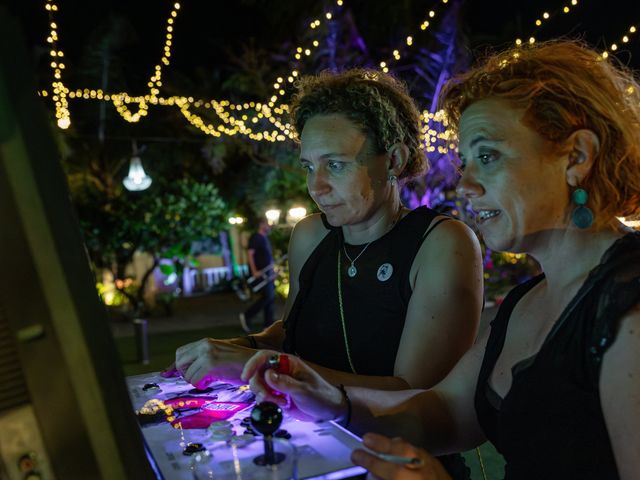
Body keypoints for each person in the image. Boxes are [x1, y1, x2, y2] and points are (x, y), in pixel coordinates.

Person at [242, 40, 640, 480]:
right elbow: (446, 410)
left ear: (577, 157)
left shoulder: (627, 307)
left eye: (487, 156)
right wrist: (332, 400)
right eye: (464, 162)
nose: (465, 185)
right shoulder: (528, 301)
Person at [164, 69, 484, 477]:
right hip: (308, 446)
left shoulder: (440, 243)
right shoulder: (310, 234)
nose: (316, 186)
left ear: (395, 160)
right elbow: (295, 328)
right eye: (308, 166)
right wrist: (239, 345)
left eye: (335, 165)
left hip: (395, 463)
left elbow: (416, 394)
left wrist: (260, 363)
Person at [239, 217, 276, 332]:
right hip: (260, 273)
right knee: (268, 296)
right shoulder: (256, 237)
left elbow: (268, 258)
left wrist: (273, 271)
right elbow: (250, 254)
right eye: (267, 224)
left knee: (270, 297)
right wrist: (254, 271)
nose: (269, 226)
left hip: (267, 273)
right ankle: (247, 316)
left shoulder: (265, 238)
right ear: (261, 225)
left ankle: (268, 324)